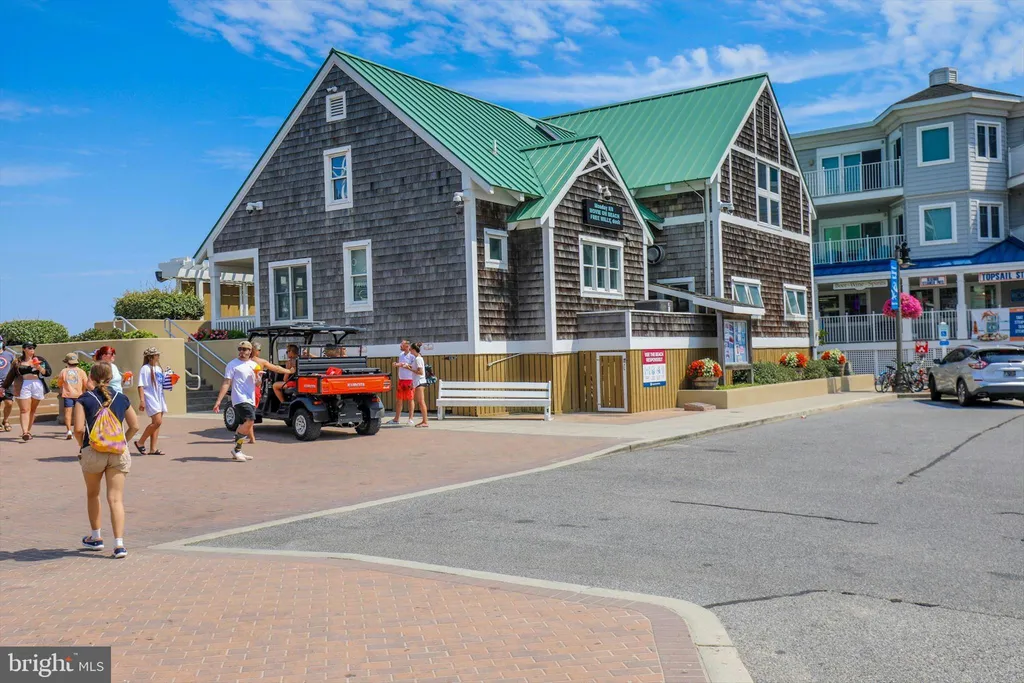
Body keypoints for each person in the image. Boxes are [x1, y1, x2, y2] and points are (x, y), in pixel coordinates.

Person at [74, 361, 138, 559]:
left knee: (93, 494)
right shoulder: (122, 398)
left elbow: (78, 429)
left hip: (93, 451)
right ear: (111, 378)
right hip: (118, 453)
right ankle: (119, 545)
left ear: (90, 378)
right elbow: (135, 426)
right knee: (116, 498)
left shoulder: (83, 399)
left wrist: (82, 446)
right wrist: (121, 443)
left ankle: (96, 537)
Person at [213, 341, 260, 461]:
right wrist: (219, 401)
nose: (242, 352)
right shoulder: (232, 364)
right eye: (240, 349)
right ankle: (236, 450)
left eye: (245, 349)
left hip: (250, 398)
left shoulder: (254, 365)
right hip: (239, 398)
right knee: (250, 420)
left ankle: (238, 450)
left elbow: (257, 384)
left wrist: (259, 378)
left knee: (246, 424)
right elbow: (226, 382)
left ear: (250, 351)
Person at [2, 341, 51, 441]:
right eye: (29, 348)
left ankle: (28, 431)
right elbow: (11, 375)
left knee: (32, 410)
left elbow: (48, 373)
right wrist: (3, 387)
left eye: (33, 348)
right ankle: (25, 432)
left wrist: (39, 367)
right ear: (24, 349)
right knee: (24, 410)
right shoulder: (18, 361)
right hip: (23, 385)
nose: (32, 350)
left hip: (37, 384)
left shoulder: (40, 360)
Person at [134, 347, 168, 455]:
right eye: (156, 355)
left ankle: (153, 448)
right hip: (150, 397)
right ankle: (140, 442)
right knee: (157, 421)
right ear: (151, 357)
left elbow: (161, 383)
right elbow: (141, 385)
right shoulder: (145, 369)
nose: (158, 357)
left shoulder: (158, 368)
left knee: (157, 424)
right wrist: (142, 400)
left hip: (159, 397)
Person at [57, 353, 89, 440]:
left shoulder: (64, 371)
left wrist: (61, 388)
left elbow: (59, 382)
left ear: (67, 362)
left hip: (67, 394)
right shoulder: (81, 371)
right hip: (80, 395)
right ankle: (80, 429)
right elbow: (86, 384)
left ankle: (69, 430)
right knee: (80, 413)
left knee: (68, 413)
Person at [389, 340, 416, 426]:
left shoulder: (412, 356)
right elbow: (400, 365)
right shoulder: (400, 355)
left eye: (402, 345)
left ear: (407, 346)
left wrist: (405, 365)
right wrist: (397, 364)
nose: (400, 346)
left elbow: (414, 367)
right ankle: (396, 419)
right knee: (399, 399)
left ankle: (411, 418)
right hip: (401, 380)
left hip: (410, 379)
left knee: (410, 399)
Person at [408, 342, 429, 428]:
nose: (410, 351)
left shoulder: (418, 359)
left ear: (413, 350)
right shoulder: (418, 358)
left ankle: (425, 421)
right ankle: (424, 421)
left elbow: (420, 372)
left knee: (421, 402)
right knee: (420, 402)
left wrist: (410, 369)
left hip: (420, 382)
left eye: (410, 349)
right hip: (418, 382)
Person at [0, 335, 15, 432]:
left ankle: (5, 420)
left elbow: (14, 369)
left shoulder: (9, 355)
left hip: (7, 383)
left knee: (9, 403)